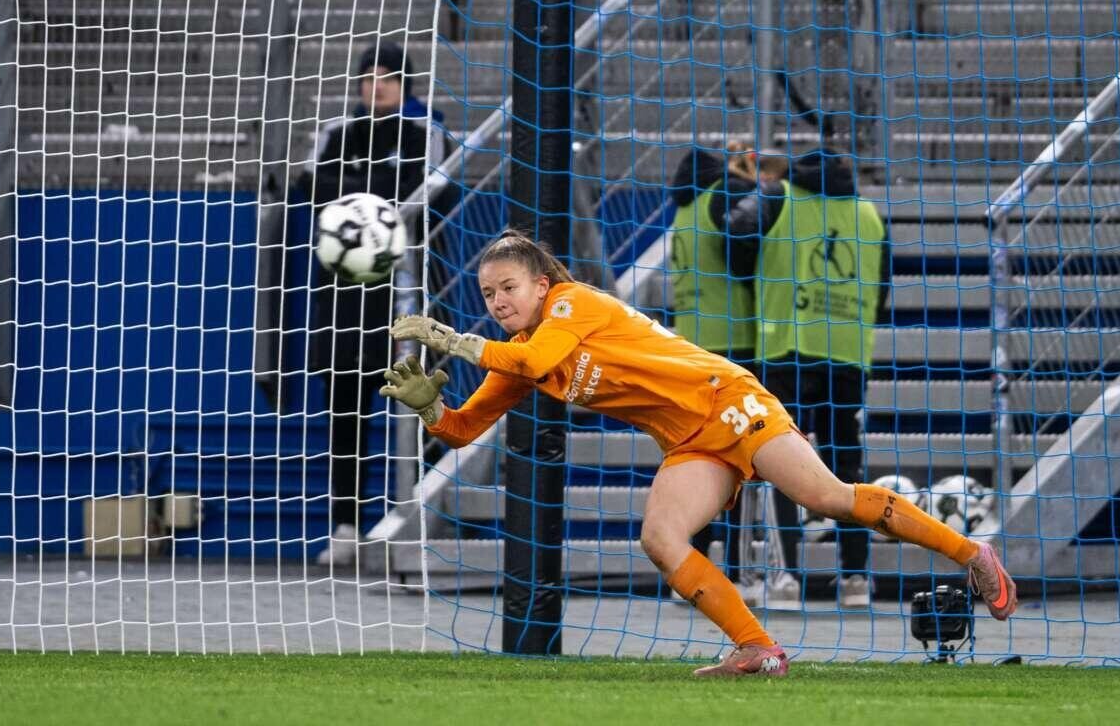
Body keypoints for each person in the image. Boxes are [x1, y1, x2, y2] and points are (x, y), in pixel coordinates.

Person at [381, 230, 1015, 679]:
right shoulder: (515, 349)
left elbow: (535, 359)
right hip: (689, 441)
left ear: (542, 283)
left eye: (508, 287)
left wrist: (449, 339)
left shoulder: (573, 304)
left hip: (727, 400)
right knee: (661, 537)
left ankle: (974, 555)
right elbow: (465, 430)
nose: (498, 304)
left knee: (824, 497)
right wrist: (430, 410)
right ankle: (757, 648)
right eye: (488, 294)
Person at [724, 149, 890, 609]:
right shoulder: (869, 215)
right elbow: (882, 288)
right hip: (849, 354)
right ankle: (856, 579)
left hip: (785, 347)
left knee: (778, 461)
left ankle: (785, 579)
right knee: (847, 463)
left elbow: (732, 238)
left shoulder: (778, 197)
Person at [300, 43, 432, 566]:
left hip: (405, 297)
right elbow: (310, 186)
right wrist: (372, 193)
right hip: (343, 300)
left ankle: (418, 513)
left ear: (406, 86)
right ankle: (347, 524)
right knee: (346, 414)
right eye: (367, 77)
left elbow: (424, 189)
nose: (375, 86)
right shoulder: (336, 133)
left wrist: (352, 195)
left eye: (387, 78)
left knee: (424, 406)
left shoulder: (424, 135)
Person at [664, 145, 760, 583]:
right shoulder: (723, 195)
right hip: (733, 346)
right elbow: (744, 252)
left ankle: (691, 566)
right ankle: (738, 571)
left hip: (688, 354)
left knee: (694, 460)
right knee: (738, 463)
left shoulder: (683, 210)